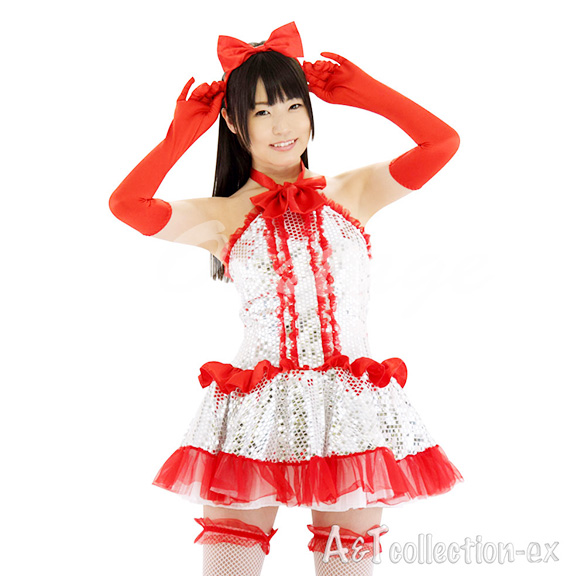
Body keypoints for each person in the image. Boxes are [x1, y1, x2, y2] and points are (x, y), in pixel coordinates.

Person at [109, 21, 463, 576]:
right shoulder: (223, 215)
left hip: (350, 412)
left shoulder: (353, 191)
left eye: (294, 106)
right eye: (261, 112)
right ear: (234, 122)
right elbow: (127, 205)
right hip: (255, 411)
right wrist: (181, 134)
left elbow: (442, 143)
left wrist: (365, 92)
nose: (283, 125)